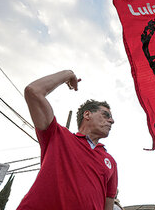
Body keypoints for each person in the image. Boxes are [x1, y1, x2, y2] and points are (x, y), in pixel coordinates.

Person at [17, 70, 117, 210]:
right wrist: (68, 74)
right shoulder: (57, 135)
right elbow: (33, 92)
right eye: (106, 115)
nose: (111, 121)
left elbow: (109, 203)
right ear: (87, 115)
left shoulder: (110, 162)